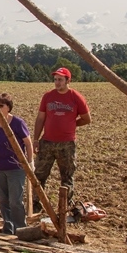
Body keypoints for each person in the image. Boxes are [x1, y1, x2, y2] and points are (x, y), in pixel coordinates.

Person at [32, 67, 91, 214]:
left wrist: (72, 123)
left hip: (67, 144)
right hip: (47, 142)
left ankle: (65, 207)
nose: (57, 83)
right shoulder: (48, 96)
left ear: (68, 81)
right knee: (39, 175)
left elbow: (86, 119)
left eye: (60, 80)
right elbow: (40, 118)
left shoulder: (76, 97)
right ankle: (35, 204)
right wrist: (35, 139)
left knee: (67, 175)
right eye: (55, 79)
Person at [0, 93, 34, 234]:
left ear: (8, 107)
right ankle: (8, 227)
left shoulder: (18, 123)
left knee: (15, 201)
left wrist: (30, 162)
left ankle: (20, 228)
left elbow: (28, 143)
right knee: (3, 200)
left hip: (15, 167)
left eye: (1, 106)